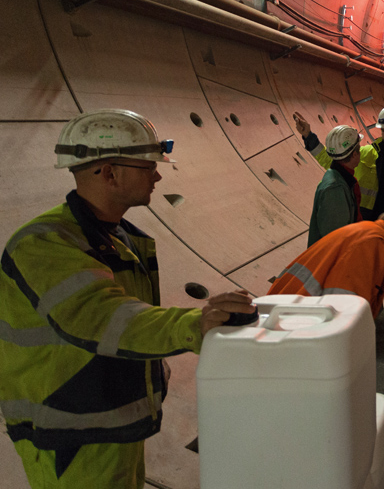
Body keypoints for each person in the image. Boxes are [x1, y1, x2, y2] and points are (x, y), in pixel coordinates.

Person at [0, 109, 255, 489]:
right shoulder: (44, 244)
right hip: (69, 435)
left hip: (112, 419)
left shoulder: (120, 237)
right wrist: (195, 324)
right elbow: (104, 316)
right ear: (109, 173)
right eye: (148, 166)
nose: (158, 175)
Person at [266, 202, 384, 319]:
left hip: (290, 316)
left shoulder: (376, 241)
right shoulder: (372, 243)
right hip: (288, 321)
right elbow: (344, 311)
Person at [293, 107, 384, 220]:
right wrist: (309, 137)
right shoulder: (368, 154)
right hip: (368, 221)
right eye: (383, 130)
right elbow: (334, 161)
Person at [306, 124, 362, 246]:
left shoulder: (339, 176)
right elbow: (335, 243)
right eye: (359, 149)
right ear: (354, 154)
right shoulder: (335, 190)